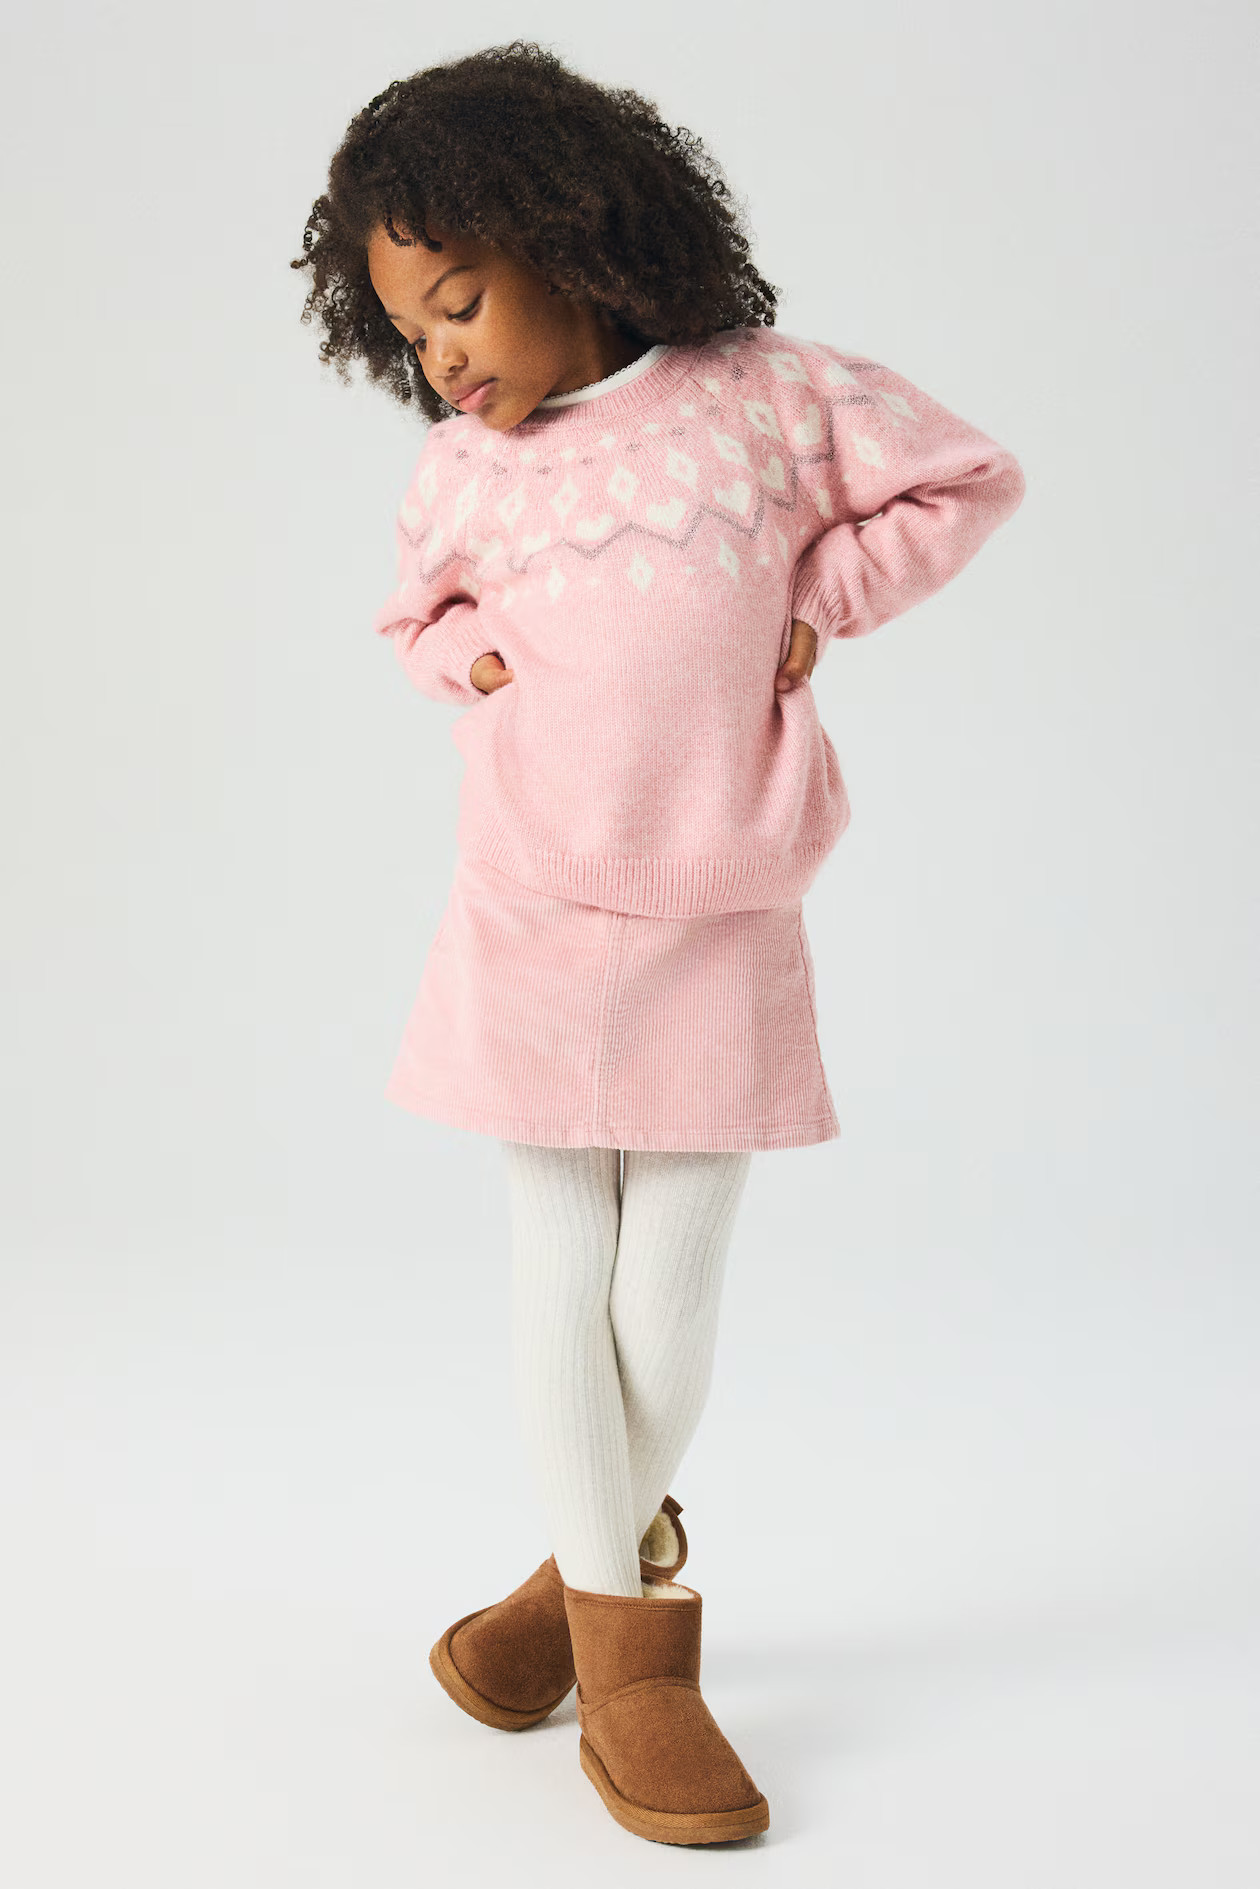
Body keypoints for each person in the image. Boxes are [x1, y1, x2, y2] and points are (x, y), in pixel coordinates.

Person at [292, 39, 1025, 1847]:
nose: (442, 357)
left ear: (571, 233)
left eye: (462, 301)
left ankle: (572, 1585)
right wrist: (469, 662)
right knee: (561, 1257)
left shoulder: (767, 399)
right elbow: (410, 619)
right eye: (411, 333)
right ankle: (638, 1664)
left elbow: (964, 478)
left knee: (666, 1288)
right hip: (530, 902)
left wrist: (821, 593)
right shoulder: (465, 474)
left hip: (722, 902)